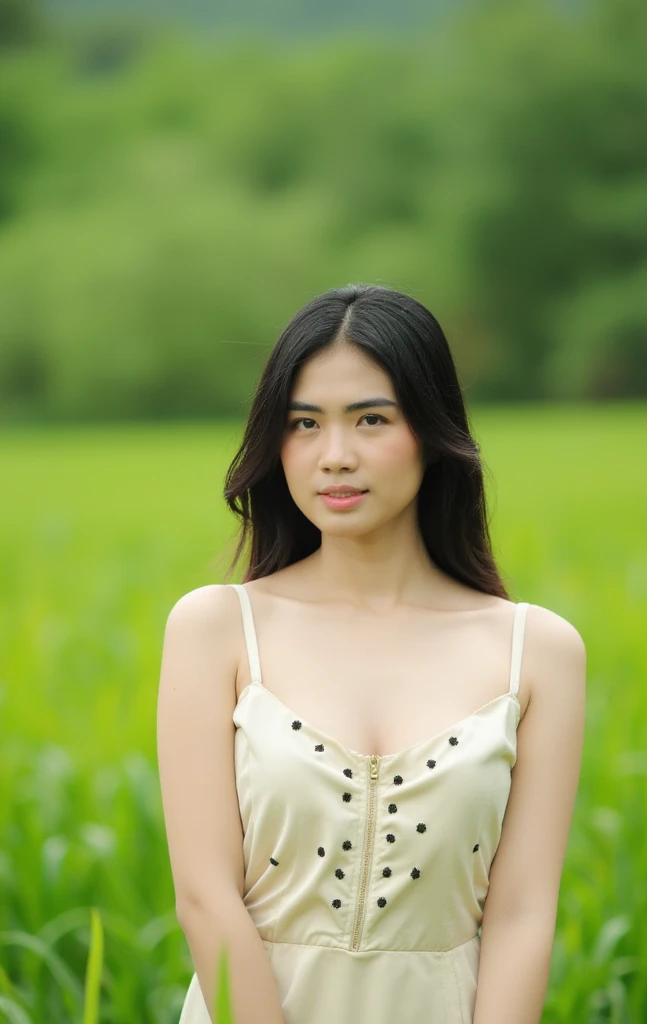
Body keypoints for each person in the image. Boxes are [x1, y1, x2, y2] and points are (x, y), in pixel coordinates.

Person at [156, 283, 586, 1024]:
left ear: (432, 429)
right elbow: (205, 896)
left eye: (371, 419)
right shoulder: (218, 631)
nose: (335, 456)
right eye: (304, 423)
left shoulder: (536, 652)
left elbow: (520, 916)